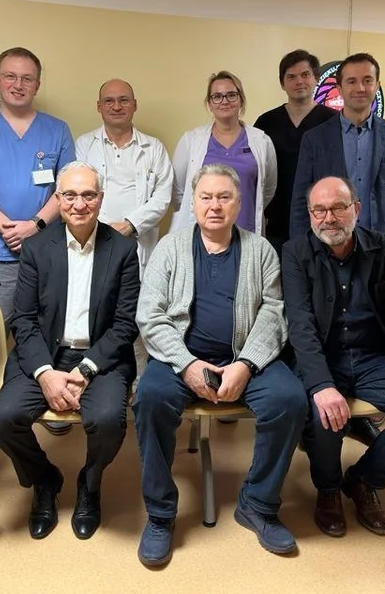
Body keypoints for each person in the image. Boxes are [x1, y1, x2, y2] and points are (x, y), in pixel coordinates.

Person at [133, 164, 307, 566]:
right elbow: (150, 315)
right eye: (206, 197)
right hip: (181, 359)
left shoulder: (261, 250)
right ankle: (160, 514)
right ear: (192, 203)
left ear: (239, 204)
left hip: (245, 359)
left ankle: (258, 505)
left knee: (289, 399)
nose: (215, 206)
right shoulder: (170, 248)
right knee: (150, 398)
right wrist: (187, 364)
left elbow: (274, 312)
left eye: (224, 197)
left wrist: (245, 364)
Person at [282, 176, 385, 538]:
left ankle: (363, 479)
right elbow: (301, 325)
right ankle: (328, 489)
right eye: (319, 210)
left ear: (356, 209)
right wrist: (322, 385)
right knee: (322, 414)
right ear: (310, 214)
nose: (329, 218)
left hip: (372, 355)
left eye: (338, 208)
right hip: (323, 355)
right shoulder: (295, 252)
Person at [0, 162, 140, 541]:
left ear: (100, 199)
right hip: (45, 355)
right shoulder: (37, 247)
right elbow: (24, 319)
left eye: (88, 195)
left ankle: (90, 480)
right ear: (57, 200)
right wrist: (45, 374)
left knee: (108, 420)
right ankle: (44, 479)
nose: (79, 204)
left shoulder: (123, 249)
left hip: (100, 358)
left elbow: (125, 324)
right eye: (69, 195)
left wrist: (86, 369)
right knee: (3, 418)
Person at [0, 47, 75, 438]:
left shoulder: (57, 130)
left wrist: (35, 225)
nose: (18, 84)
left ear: (37, 84)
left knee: (49, 328)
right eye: (10, 76)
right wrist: (8, 227)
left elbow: (67, 187)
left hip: (46, 251)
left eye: (26, 78)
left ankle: (51, 402)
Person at [76, 79, 173, 378]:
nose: (116, 106)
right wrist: (100, 228)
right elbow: (77, 191)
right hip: (94, 242)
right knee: (97, 316)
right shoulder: (84, 145)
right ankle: (100, 381)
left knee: (140, 319)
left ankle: (140, 386)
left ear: (134, 105)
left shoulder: (153, 148)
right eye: (109, 100)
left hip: (138, 246)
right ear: (98, 106)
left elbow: (163, 196)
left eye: (123, 100)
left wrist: (131, 224)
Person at [290, 53, 385, 265]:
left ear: (377, 85)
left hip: (380, 252)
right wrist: (301, 257)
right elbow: (301, 202)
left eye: (367, 80)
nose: (360, 88)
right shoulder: (315, 139)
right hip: (327, 250)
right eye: (351, 81)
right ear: (339, 88)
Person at [169, 71, 276, 235]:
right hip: (203, 236)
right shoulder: (191, 140)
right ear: (209, 104)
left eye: (231, 95)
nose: (224, 101)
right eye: (217, 97)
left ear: (241, 100)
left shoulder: (262, 141)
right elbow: (179, 193)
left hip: (246, 232)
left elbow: (268, 188)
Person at [254, 49, 336, 257]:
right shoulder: (266, 122)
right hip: (275, 223)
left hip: (322, 221)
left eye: (305, 74)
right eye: (291, 76)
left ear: (316, 78)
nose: (299, 81)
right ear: (282, 83)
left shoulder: (334, 122)